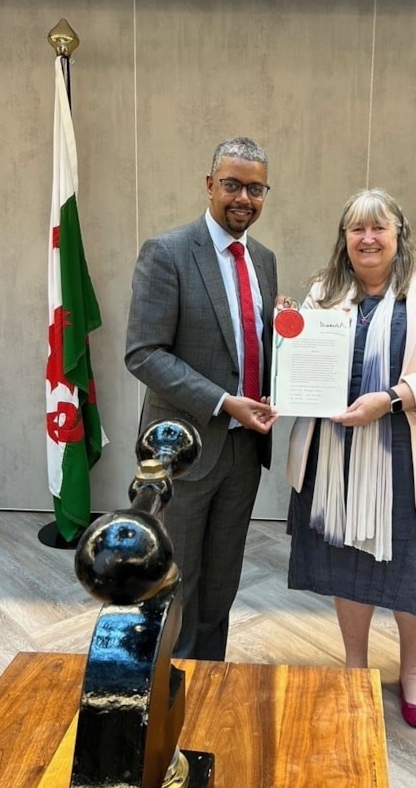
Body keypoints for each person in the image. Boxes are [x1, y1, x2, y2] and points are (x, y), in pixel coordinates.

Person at [286, 187, 416, 727]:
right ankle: (354, 665)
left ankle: (413, 671)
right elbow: (301, 363)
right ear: (344, 238)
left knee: (411, 571)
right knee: (348, 565)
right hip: (337, 451)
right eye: (357, 229)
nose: (368, 238)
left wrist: (393, 399)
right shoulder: (322, 294)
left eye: (379, 228)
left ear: (399, 235)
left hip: (411, 453)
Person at [125, 137, 278, 660]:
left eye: (255, 188)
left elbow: (251, 346)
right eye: (232, 184)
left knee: (221, 584)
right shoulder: (167, 253)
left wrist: (296, 333)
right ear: (209, 184)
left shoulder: (264, 259)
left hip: (243, 453)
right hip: (184, 451)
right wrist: (223, 401)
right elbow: (144, 353)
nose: (243, 198)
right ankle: (170, 688)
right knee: (177, 583)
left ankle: (209, 681)